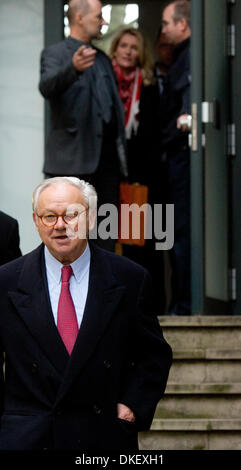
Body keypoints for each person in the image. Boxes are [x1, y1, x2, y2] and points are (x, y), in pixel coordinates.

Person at [0, 176, 172, 450]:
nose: (59, 225)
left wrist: (131, 407)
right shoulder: (6, 281)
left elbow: (153, 356)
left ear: (91, 219)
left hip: (102, 437)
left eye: (70, 215)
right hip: (28, 439)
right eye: (49, 216)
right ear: (35, 221)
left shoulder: (129, 278)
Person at [39, 0, 128, 252]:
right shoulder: (55, 54)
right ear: (79, 17)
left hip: (106, 165)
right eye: (99, 16)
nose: (104, 22)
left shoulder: (102, 59)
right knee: (67, 240)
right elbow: (47, 87)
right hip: (71, 164)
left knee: (105, 240)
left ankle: (100, 293)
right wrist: (73, 69)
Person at [109, 28, 166, 314]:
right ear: (115, 48)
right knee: (109, 239)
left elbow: (155, 134)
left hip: (143, 178)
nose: (129, 51)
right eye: (124, 45)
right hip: (110, 174)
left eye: (134, 47)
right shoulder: (105, 80)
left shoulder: (150, 84)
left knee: (143, 241)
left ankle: (150, 305)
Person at [160, 0, 191, 315]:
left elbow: (183, 116)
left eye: (167, 22)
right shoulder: (182, 59)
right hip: (175, 160)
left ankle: (184, 305)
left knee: (180, 232)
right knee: (171, 233)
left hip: (183, 160)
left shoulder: (193, 60)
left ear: (183, 24)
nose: (164, 29)